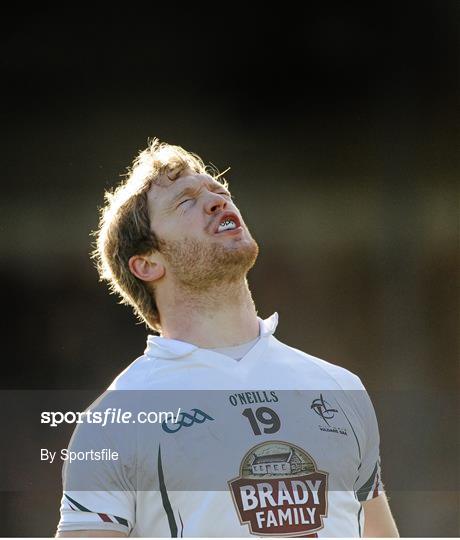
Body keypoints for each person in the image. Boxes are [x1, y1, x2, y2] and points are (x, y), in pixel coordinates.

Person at [57, 139, 399, 537]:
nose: (218, 202)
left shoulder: (340, 388)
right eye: (186, 202)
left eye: (219, 192)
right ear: (147, 263)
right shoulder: (115, 420)